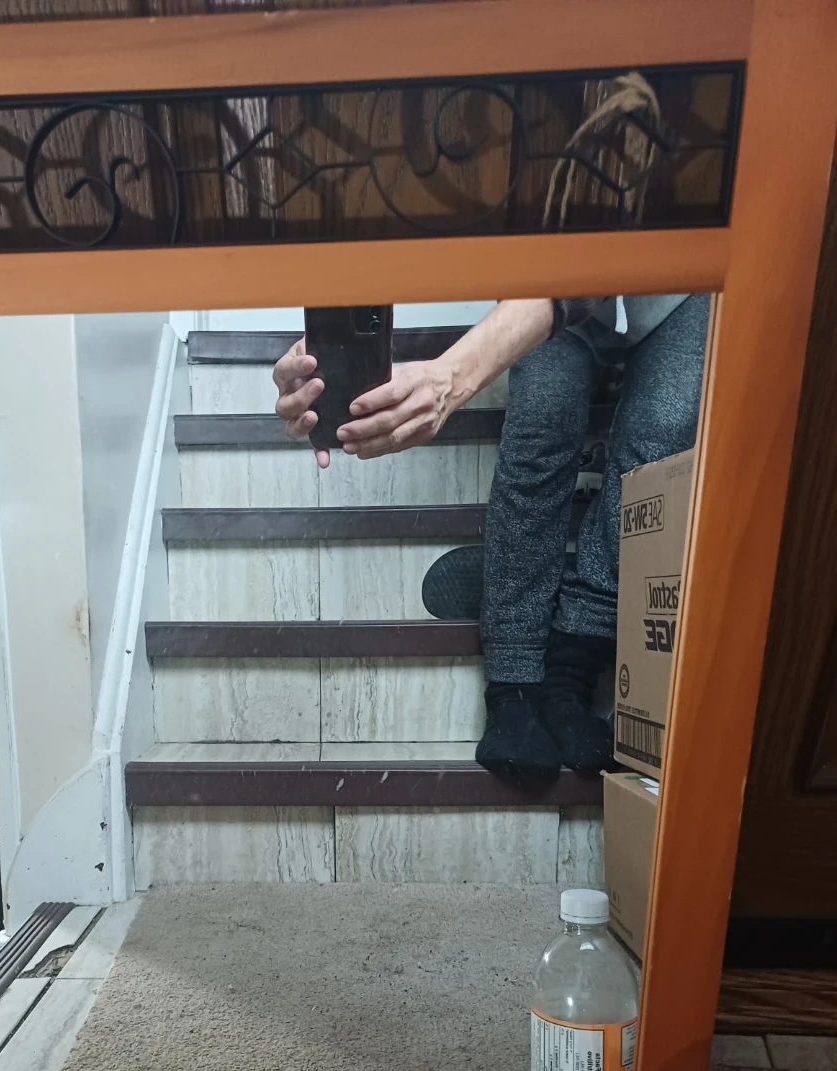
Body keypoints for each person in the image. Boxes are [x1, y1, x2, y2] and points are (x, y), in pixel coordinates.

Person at [273, 294, 709, 783]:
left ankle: (576, 663)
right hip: (553, 279)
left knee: (661, 434)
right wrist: (331, 342)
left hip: (677, 288)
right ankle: (513, 681)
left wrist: (452, 377)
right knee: (542, 415)